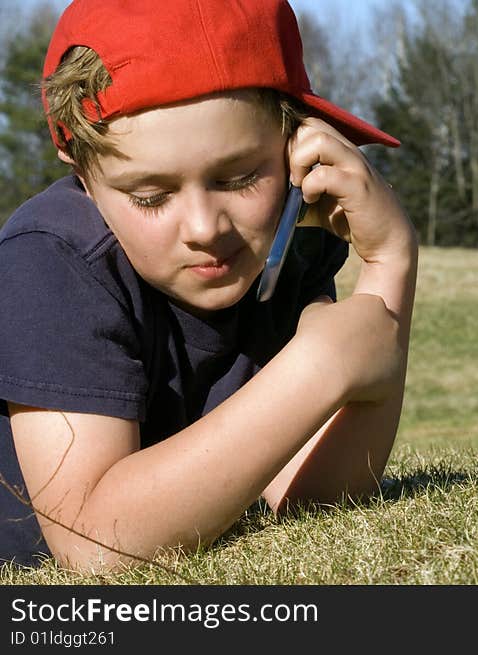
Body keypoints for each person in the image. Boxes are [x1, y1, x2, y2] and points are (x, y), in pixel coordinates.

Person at [0, 0, 418, 572]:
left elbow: (313, 501)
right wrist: (318, 368)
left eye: (240, 177)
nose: (204, 229)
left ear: (299, 145)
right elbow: (92, 544)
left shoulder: (291, 247)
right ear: (80, 169)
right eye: (149, 196)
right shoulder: (51, 259)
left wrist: (390, 262)